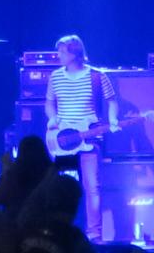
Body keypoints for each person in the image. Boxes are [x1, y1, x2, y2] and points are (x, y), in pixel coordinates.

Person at [44, 35, 119, 243]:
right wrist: (53, 118)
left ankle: (94, 235)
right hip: (63, 140)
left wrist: (113, 119)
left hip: (89, 137)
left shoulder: (97, 76)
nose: (58, 55)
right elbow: (49, 103)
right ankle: (60, 232)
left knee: (92, 186)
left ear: (75, 53)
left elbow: (112, 101)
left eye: (62, 52)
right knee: (59, 186)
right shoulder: (55, 77)